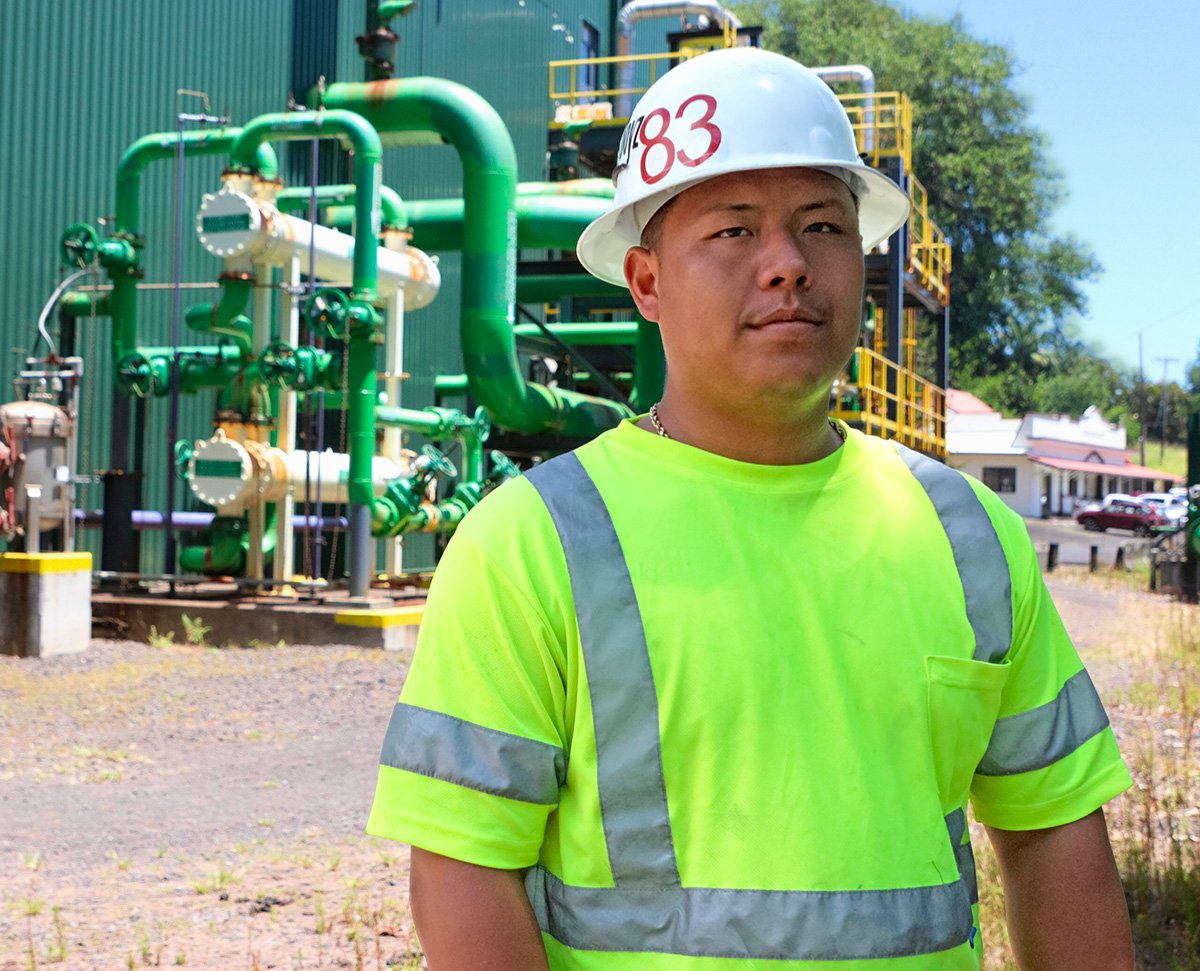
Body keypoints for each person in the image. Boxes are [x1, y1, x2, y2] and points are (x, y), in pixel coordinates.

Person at [366, 47, 1135, 970]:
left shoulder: (967, 533)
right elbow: (461, 870)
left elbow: (1055, 833)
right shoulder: (534, 542)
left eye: (822, 225)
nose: (787, 265)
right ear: (646, 281)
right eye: (733, 231)